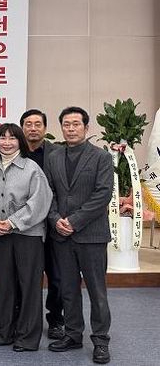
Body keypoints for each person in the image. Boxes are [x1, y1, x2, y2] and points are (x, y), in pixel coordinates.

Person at [45, 107, 113, 365]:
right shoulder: (53, 157)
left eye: (76, 124)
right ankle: (73, 335)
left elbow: (102, 194)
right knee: (68, 289)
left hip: (92, 235)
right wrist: (55, 219)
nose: (71, 128)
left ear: (86, 127)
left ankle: (101, 341)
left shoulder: (101, 157)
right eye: (66, 124)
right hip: (62, 235)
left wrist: (73, 221)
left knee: (97, 292)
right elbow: (48, 192)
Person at [0, 123, 52, 352]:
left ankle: (27, 338)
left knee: (29, 286)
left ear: (20, 142)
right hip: (0, 234)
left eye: (12, 138)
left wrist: (12, 222)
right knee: (5, 284)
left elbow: (39, 202)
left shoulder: (32, 168)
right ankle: (2, 332)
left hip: (28, 234)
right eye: (2, 138)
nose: (6, 142)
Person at [20, 109, 64, 339]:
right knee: (25, 276)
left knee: (57, 277)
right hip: (25, 226)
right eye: (28, 124)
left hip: (52, 224)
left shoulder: (57, 153)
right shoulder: (15, 152)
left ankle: (55, 319)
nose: (33, 128)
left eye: (38, 124)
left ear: (45, 128)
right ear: (22, 128)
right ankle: (23, 319)